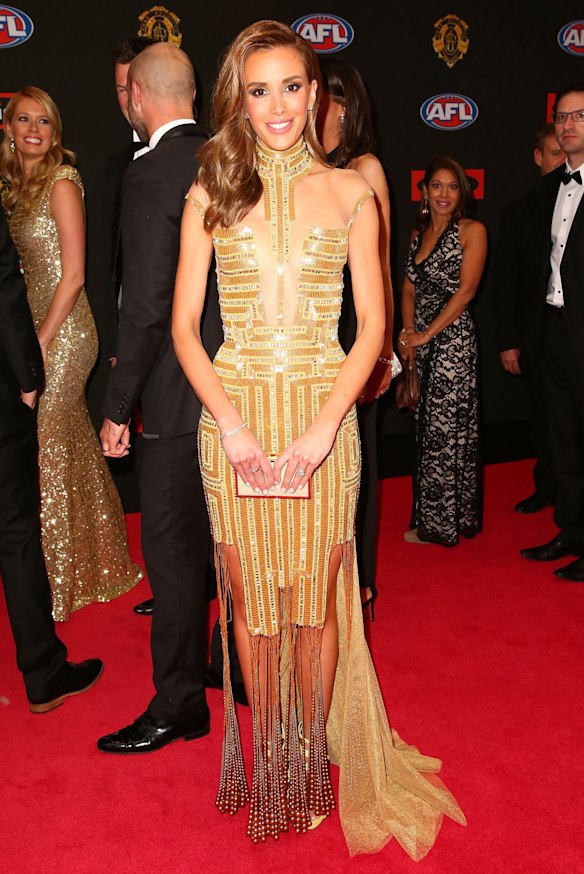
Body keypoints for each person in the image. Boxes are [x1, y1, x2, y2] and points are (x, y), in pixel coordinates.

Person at [172, 20, 465, 856]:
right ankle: (272, 758)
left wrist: (322, 428)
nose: (278, 107)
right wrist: (229, 426)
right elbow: (185, 330)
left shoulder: (352, 194)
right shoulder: (210, 191)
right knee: (251, 602)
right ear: (239, 96)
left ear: (317, 93)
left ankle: (306, 763)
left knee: (317, 601)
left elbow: (373, 329)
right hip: (232, 425)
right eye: (258, 89)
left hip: (323, 420)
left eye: (293, 87)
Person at [97, 42, 224, 754]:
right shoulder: (227, 158)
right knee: (225, 545)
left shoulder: (151, 175)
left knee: (173, 555)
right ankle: (222, 659)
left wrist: (118, 405)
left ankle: (178, 703)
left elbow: (144, 309)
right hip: (239, 392)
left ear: (138, 98)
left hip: (177, 400)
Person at [0, 88, 142, 621]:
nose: (33, 129)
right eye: (23, 119)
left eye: (44, 121)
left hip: (63, 332)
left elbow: (76, 274)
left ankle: (56, 583)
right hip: (31, 329)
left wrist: (36, 345)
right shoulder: (13, 188)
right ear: (8, 128)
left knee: (48, 446)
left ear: (55, 132)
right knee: (70, 443)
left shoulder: (62, 181)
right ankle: (102, 561)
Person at [0, 200, 103, 711]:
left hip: (62, 337)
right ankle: (42, 673)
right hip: (9, 384)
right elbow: (6, 290)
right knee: (16, 529)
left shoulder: (61, 181)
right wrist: (26, 379)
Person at [317, 56, 400, 615]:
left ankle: (359, 585)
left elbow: (384, 264)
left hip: (356, 329)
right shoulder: (298, 165)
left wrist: (384, 349)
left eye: (326, 95)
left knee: (356, 461)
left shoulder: (364, 167)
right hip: (310, 331)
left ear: (346, 107)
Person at [400, 157, 487, 546]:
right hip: (422, 343)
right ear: (424, 192)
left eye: (452, 187)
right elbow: (408, 288)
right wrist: (409, 335)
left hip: (453, 344)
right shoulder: (418, 235)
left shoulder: (472, 231)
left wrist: (427, 334)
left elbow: (465, 292)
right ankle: (438, 516)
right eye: (437, 186)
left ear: (462, 193)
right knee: (425, 430)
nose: (444, 194)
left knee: (446, 433)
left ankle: (443, 525)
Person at [520, 85, 584, 583]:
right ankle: (572, 530)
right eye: (561, 117)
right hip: (556, 330)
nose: (567, 125)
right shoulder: (547, 191)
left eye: (579, 116)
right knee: (563, 439)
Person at [104, 35, 156, 616]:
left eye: (132, 86)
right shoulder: (114, 165)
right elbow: (114, 266)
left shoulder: (201, 158)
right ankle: (170, 589)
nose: (126, 99)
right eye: (118, 88)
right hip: (132, 334)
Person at [493, 123, 564, 514]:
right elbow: (506, 284)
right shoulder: (518, 212)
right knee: (541, 416)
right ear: (538, 158)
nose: (560, 160)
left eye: (565, 153)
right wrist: (508, 341)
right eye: (553, 153)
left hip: (572, 335)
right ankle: (547, 486)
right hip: (536, 337)